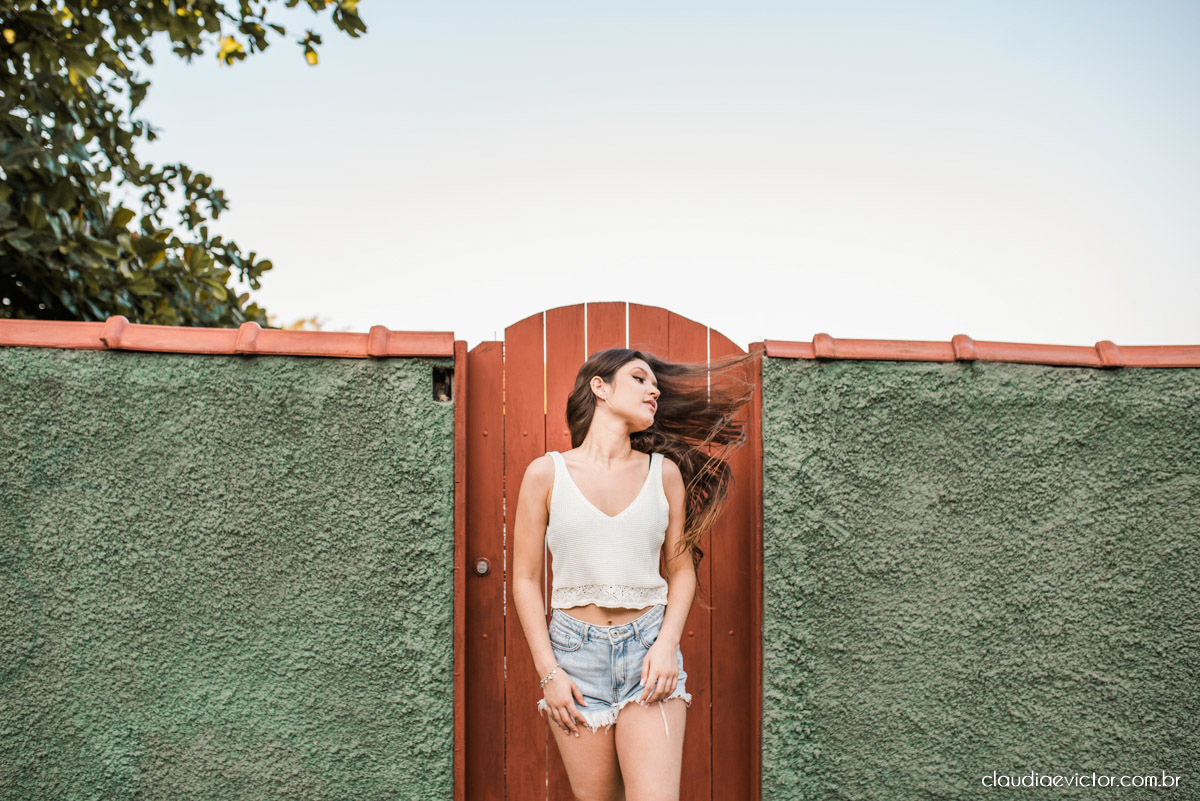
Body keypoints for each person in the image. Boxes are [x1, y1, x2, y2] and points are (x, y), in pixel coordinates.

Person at [513, 346, 756, 800]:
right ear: (599, 387)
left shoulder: (663, 474)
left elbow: (681, 571)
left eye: (655, 384)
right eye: (640, 379)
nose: (654, 389)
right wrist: (550, 672)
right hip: (573, 657)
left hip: (648, 653)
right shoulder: (546, 474)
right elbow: (524, 580)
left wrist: (666, 646)